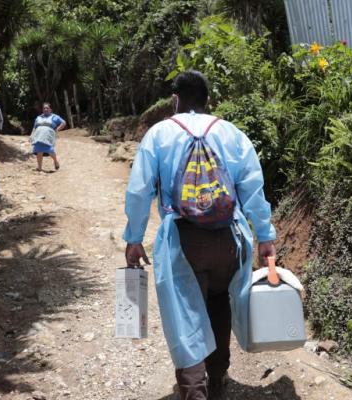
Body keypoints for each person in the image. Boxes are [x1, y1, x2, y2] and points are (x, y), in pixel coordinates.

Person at [123, 70, 277, 399]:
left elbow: (139, 191)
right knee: (219, 303)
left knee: (185, 317)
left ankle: (195, 391)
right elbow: (253, 189)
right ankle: (217, 379)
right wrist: (265, 236)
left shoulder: (159, 134)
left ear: (175, 99)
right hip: (230, 239)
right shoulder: (232, 133)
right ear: (208, 100)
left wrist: (134, 238)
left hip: (184, 241)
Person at [30, 102, 66, 171]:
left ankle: (55, 161)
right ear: (42, 109)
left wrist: (57, 129)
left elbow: (63, 123)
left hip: (48, 136)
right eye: (44, 108)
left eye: (47, 108)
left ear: (50, 109)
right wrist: (31, 135)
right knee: (39, 151)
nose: (45, 109)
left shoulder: (54, 117)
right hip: (38, 136)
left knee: (50, 150)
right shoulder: (39, 117)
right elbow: (34, 127)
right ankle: (39, 167)